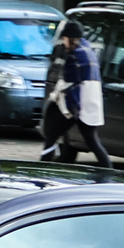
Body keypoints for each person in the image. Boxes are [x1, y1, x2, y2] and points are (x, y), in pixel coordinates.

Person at [40, 17, 110, 167]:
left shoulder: (74, 56)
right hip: (90, 105)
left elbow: (67, 84)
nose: (63, 43)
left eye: (64, 39)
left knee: (52, 135)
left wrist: (54, 97)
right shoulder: (88, 51)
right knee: (92, 141)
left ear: (70, 39)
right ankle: (109, 171)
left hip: (75, 106)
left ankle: (43, 168)